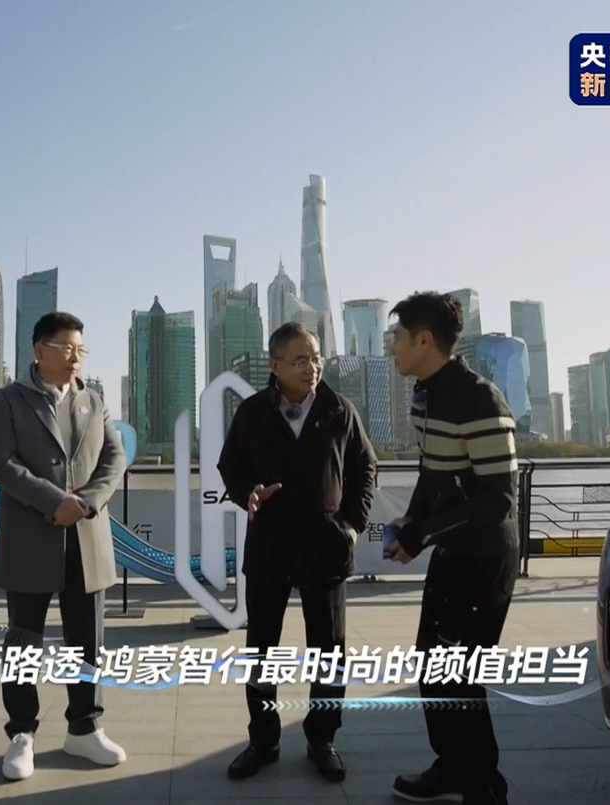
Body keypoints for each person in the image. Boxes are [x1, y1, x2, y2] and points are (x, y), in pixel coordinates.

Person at [216, 321, 378, 783]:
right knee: (261, 651)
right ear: (276, 365)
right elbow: (230, 466)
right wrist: (247, 492)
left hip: (326, 548)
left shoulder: (338, 409)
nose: (313, 367)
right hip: (269, 547)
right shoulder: (252, 412)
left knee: (329, 652)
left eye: (317, 358)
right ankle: (262, 741)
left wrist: (351, 525)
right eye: (301, 360)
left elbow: (365, 468)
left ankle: (322, 739)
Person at [382, 291, 519, 805]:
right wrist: (413, 522)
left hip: (485, 558)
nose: (391, 346)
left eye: (397, 336)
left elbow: (497, 500)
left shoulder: (479, 399)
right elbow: (433, 472)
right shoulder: (424, 396)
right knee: (432, 666)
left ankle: (484, 787)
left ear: (424, 340)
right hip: (453, 551)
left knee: (460, 677)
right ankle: (453, 768)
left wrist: (422, 534)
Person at [0, 311, 129, 781]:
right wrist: (53, 502)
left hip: (86, 536)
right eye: (65, 348)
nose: (74, 357)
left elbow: (114, 457)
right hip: (30, 538)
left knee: (87, 639)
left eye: (80, 349)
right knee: (23, 639)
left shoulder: (93, 399)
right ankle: (21, 734)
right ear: (38, 350)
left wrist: (86, 503)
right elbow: (0, 462)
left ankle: (84, 727)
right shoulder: (8, 401)